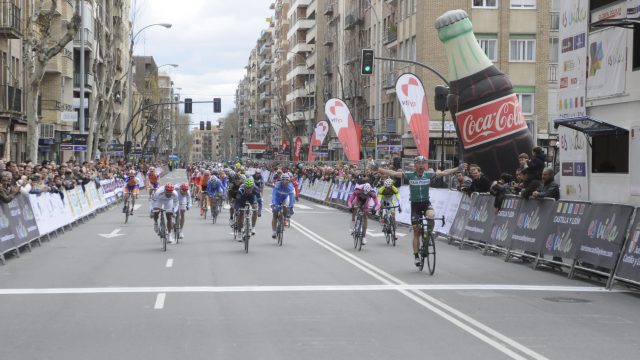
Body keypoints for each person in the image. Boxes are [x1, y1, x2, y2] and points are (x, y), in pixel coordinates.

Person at [377, 156, 466, 266]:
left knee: (432, 215)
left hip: (425, 203)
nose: (420, 165)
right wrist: (379, 169)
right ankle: (416, 256)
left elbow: (444, 173)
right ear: (415, 165)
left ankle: (428, 235)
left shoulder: (428, 175)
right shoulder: (409, 175)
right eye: (418, 163)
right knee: (416, 232)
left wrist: (457, 168)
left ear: (424, 166)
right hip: (415, 206)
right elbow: (393, 173)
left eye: (422, 163)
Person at [271, 173, 295, 239]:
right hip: (277, 199)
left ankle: (285, 218)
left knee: (286, 206)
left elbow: (291, 197)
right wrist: (274, 203)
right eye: (283, 181)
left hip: (285, 199)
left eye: (286, 181)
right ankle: (274, 231)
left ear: (288, 181)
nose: (284, 182)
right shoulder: (277, 185)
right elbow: (274, 195)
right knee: (275, 214)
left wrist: (291, 207)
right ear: (281, 181)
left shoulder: (290, 186)